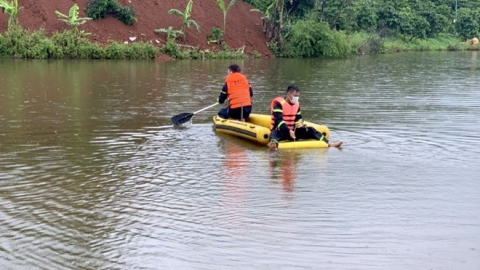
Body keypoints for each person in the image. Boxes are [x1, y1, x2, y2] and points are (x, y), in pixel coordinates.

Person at [269, 84, 343, 151]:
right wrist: (288, 131)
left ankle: (329, 143)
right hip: (281, 131)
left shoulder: (296, 105)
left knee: (311, 130)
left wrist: (300, 124)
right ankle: (274, 145)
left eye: (298, 96)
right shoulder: (278, 105)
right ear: (288, 94)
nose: (297, 98)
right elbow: (279, 121)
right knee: (274, 134)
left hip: (293, 132)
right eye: (295, 96)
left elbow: (298, 118)